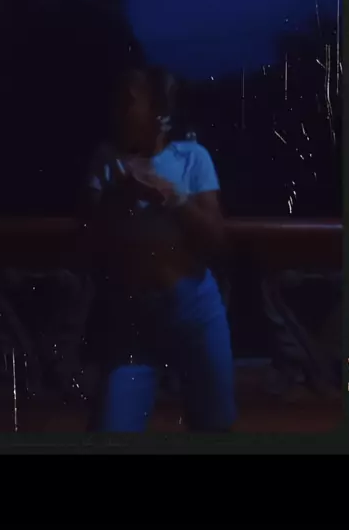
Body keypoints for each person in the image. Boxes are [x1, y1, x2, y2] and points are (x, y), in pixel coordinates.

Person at [86, 66, 236, 432]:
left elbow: (215, 236)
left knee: (214, 427)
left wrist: (171, 196)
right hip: (132, 320)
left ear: (158, 111)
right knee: (114, 429)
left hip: (195, 312)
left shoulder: (192, 157)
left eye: (130, 101)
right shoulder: (106, 160)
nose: (119, 108)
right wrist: (120, 194)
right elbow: (88, 235)